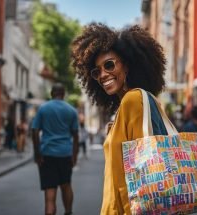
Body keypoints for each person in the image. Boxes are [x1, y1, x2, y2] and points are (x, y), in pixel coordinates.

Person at [71, 23, 167, 214]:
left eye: (109, 64)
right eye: (97, 71)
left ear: (127, 65)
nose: (103, 75)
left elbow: (142, 170)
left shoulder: (133, 100)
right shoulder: (131, 105)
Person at [32, 83, 79, 215]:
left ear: (51, 93)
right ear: (63, 94)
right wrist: (74, 155)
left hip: (47, 154)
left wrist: (37, 153)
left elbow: (35, 131)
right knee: (66, 185)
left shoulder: (43, 108)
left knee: (50, 192)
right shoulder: (71, 110)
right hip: (65, 154)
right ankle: (68, 212)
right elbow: (75, 135)